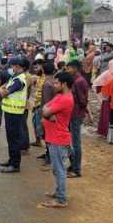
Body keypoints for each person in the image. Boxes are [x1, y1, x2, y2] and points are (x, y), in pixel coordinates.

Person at [40, 71, 75, 208]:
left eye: (56, 83)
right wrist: (48, 114)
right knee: (56, 168)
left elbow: (45, 111)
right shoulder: (60, 96)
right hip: (54, 137)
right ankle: (59, 192)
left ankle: (61, 199)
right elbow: (45, 108)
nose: (54, 85)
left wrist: (48, 113)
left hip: (59, 138)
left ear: (64, 84)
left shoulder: (65, 99)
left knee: (59, 169)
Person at [0, 58, 29, 173]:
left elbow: (4, 92)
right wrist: (2, 89)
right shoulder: (14, 77)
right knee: (10, 138)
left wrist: (1, 89)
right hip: (10, 112)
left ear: (18, 66)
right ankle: (11, 160)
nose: (11, 68)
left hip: (15, 113)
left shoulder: (19, 80)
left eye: (13, 66)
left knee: (14, 139)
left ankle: (15, 165)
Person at [65, 60, 89, 178]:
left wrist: (83, 112)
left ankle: (76, 169)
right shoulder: (76, 80)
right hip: (73, 114)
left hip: (76, 115)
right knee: (71, 141)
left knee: (75, 142)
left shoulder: (79, 82)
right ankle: (73, 164)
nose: (67, 70)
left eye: (68, 68)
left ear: (75, 68)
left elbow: (83, 100)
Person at [93, 57, 113, 138]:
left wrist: (103, 93)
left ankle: (105, 131)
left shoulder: (107, 73)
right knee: (112, 115)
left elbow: (96, 84)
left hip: (108, 98)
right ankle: (111, 132)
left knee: (106, 115)